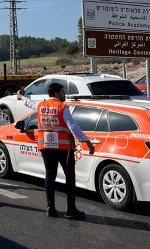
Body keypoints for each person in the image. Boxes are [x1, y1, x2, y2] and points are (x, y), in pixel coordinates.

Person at [18, 83, 94, 219]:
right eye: (63, 91)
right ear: (57, 93)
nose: (64, 94)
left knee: (50, 176)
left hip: (46, 146)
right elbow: (73, 126)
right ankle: (71, 209)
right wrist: (86, 141)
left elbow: (29, 103)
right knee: (70, 177)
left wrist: (22, 97)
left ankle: (50, 208)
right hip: (63, 148)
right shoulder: (62, 107)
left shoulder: (41, 105)